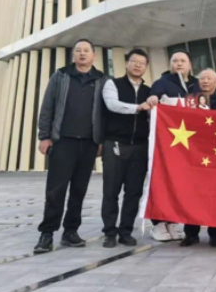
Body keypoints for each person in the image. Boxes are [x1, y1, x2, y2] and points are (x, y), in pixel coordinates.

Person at [34, 39, 107, 254]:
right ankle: (47, 234)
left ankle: (70, 232)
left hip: (89, 143)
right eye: (78, 51)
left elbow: (107, 113)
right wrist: (44, 136)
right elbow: (47, 107)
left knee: (79, 190)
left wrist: (101, 140)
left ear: (94, 55)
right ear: (73, 55)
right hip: (63, 141)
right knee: (55, 190)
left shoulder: (102, 80)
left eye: (86, 50)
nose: (82, 54)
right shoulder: (61, 76)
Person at [100, 49, 156, 248]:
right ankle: (109, 232)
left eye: (142, 62)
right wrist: (139, 107)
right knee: (111, 191)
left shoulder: (149, 91)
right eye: (134, 61)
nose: (138, 65)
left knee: (134, 192)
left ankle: (126, 231)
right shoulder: (112, 84)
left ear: (146, 67)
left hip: (139, 147)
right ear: (126, 64)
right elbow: (112, 105)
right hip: (115, 145)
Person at [181, 69, 216, 248]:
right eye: (202, 78)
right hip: (194, 153)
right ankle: (191, 234)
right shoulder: (189, 100)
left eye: (209, 78)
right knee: (192, 193)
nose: (205, 81)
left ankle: (215, 234)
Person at [148, 49, 198, 242]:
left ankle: (174, 221)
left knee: (182, 183)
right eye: (175, 60)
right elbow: (153, 102)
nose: (179, 64)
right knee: (163, 180)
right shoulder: (161, 83)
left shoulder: (196, 85)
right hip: (167, 143)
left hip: (190, 144)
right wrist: (153, 99)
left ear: (190, 64)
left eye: (183, 61)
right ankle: (159, 223)